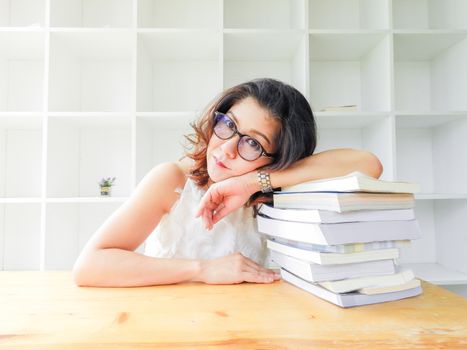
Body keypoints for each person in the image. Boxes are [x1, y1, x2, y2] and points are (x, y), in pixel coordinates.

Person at [72, 78, 383, 287]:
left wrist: (253, 183)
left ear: (279, 158)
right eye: (228, 125)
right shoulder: (172, 180)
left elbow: (369, 165)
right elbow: (89, 266)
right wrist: (202, 270)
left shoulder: (272, 187)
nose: (227, 148)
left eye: (253, 143)